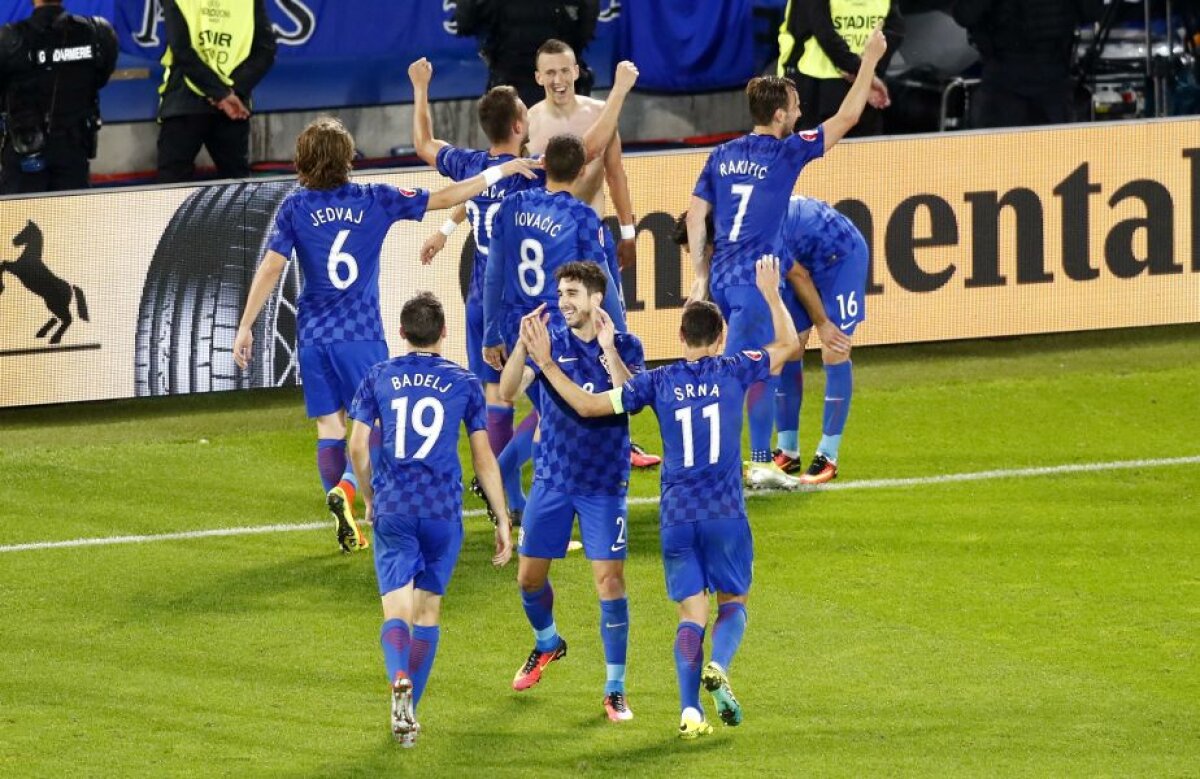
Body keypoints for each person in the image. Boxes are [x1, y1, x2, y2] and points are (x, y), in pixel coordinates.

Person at [518, 256, 799, 737]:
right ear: (721, 337)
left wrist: (558, 362)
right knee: (733, 602)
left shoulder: (660, 382)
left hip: (676, 518)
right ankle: (721, 664)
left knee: (690, 615)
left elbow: (589, 404)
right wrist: (772, 294)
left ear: (681, 339)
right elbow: (790, 345)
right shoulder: (736, 368)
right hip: (726, 513)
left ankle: (690, 711)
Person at [233, 116, 537, 553]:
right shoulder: (374, 198)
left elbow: (271, 268)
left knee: (329, 426)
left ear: (303, 160)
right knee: (374, 423)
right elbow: (445, 197)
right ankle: (358, 494)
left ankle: (346, 513)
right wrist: (498, 171)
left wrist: (246, 326)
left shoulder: (295, 208)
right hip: (360, 332)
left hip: (314, 333)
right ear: (347, 159)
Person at [409, 57, 640, 504]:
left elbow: (423, 144)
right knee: (557, 399)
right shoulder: (531, 175)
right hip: (526, 304)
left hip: (480, 297)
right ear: (521, 124)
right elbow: (586, 150)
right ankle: (510, 482)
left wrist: (420, 88)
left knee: (498, 397)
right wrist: (619, 92)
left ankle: (507, 502)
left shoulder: (471, 168)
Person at [686, 25, 885, 490]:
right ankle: (752, 464)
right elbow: (848, 116)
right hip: (759, 278)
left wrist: (699, 276)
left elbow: (697, 217)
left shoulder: (721, 154)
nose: (801, 112)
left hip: (723, 275)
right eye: (796, 107)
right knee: (749, 370)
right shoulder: (788, 152)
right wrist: (870, 60)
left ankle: (777, 456)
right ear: (780, 116)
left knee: (760, 361)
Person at [347, 291, 513, 747]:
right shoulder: (464, 383)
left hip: (396, 505)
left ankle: (398, 678)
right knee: (429, 611)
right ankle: (409, 713)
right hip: (442, 510)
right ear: (444, 333)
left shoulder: (378, 376)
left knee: (396, 611)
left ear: (401, 333)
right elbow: (484, 459)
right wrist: (501, 518)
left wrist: (368, 494)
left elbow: (358, 446)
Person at [498, 262, 643, 721]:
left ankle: (615, 688)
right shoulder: (549, 342)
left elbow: (631, 398)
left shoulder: (624, 345)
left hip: (603, 485)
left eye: (573, 293)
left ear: (597, 298)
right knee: (528, 580)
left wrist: (607, 352)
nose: (563, 301)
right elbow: (505, 393)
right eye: (561, 293)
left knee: (610, 583)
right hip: (553, 481)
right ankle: (548, 643)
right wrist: (523, 346)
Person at [524, 39, 661, 471]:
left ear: (577, 71)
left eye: (565, 70)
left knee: (613, 333)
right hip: (552, 250)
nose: (558, 80)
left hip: (596, 242)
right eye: (550, 72)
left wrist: (627, 230)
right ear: (538, 77)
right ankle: (555, 433)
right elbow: (574, 158)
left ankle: (622, 432)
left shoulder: (598, 110)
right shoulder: (529, 121)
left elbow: (615, 173)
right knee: (554, 345)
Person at [481, 133, 628, 523]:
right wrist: (620, 328)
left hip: (516, 322)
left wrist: (490, 332)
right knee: (558, 408)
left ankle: (514, 497)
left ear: (543, 164)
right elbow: (602, 280)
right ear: (582, 171)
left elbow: (492, 274)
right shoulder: (582, 217)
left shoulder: (510, 207)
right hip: (555, 323)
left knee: (549, 410)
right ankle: (508, 479)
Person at [771, 195, 861, 483]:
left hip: (842, 259)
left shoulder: (760, 230)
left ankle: (828, 455)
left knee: (834, 349)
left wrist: (822, 322)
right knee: (790, 347)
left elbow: (798, 274)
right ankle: (788, 450)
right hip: (805, 260)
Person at [0, 0, 117, 194]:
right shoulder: (97, 34)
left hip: (24, 155)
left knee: (19, 222)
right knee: (70, 223)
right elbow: (100, 77)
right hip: (73, 155)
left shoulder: (9, 41)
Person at [156, 0, 277, 182]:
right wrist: (230, 92)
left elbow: (181, 49)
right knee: (238, 191)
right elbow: (266, 50)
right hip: (233, 105)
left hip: (185, 101)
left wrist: (221, 93)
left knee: (171, 188)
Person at [952, 0, 1100, 128]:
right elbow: (964, 14)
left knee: (1053, 154)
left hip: (1048, 78)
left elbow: (1092, 11)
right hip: (1007, 79)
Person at [776, 0, 904, 137]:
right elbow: (895, 30)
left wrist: (863, 71)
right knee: (862, 149)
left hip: (822, 87)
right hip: (850, 86)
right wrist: (867, 71)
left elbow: (822, 29)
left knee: (812, 151)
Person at [454, 0, 599, 110]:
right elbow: (588, 17)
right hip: (556, 79)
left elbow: (465, 22)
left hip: (510, 78)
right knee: (565, 144)